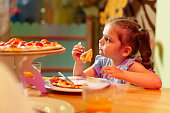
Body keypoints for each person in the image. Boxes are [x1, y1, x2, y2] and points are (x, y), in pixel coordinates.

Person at [72, 17, 162, 89]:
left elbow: (156, 82)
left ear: (125, 51)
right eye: (103, 36)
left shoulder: (130, 65)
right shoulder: (102, 62)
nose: (100, 41)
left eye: (108, 39)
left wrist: (121, 74)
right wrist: (79, 62)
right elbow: (79, 78)